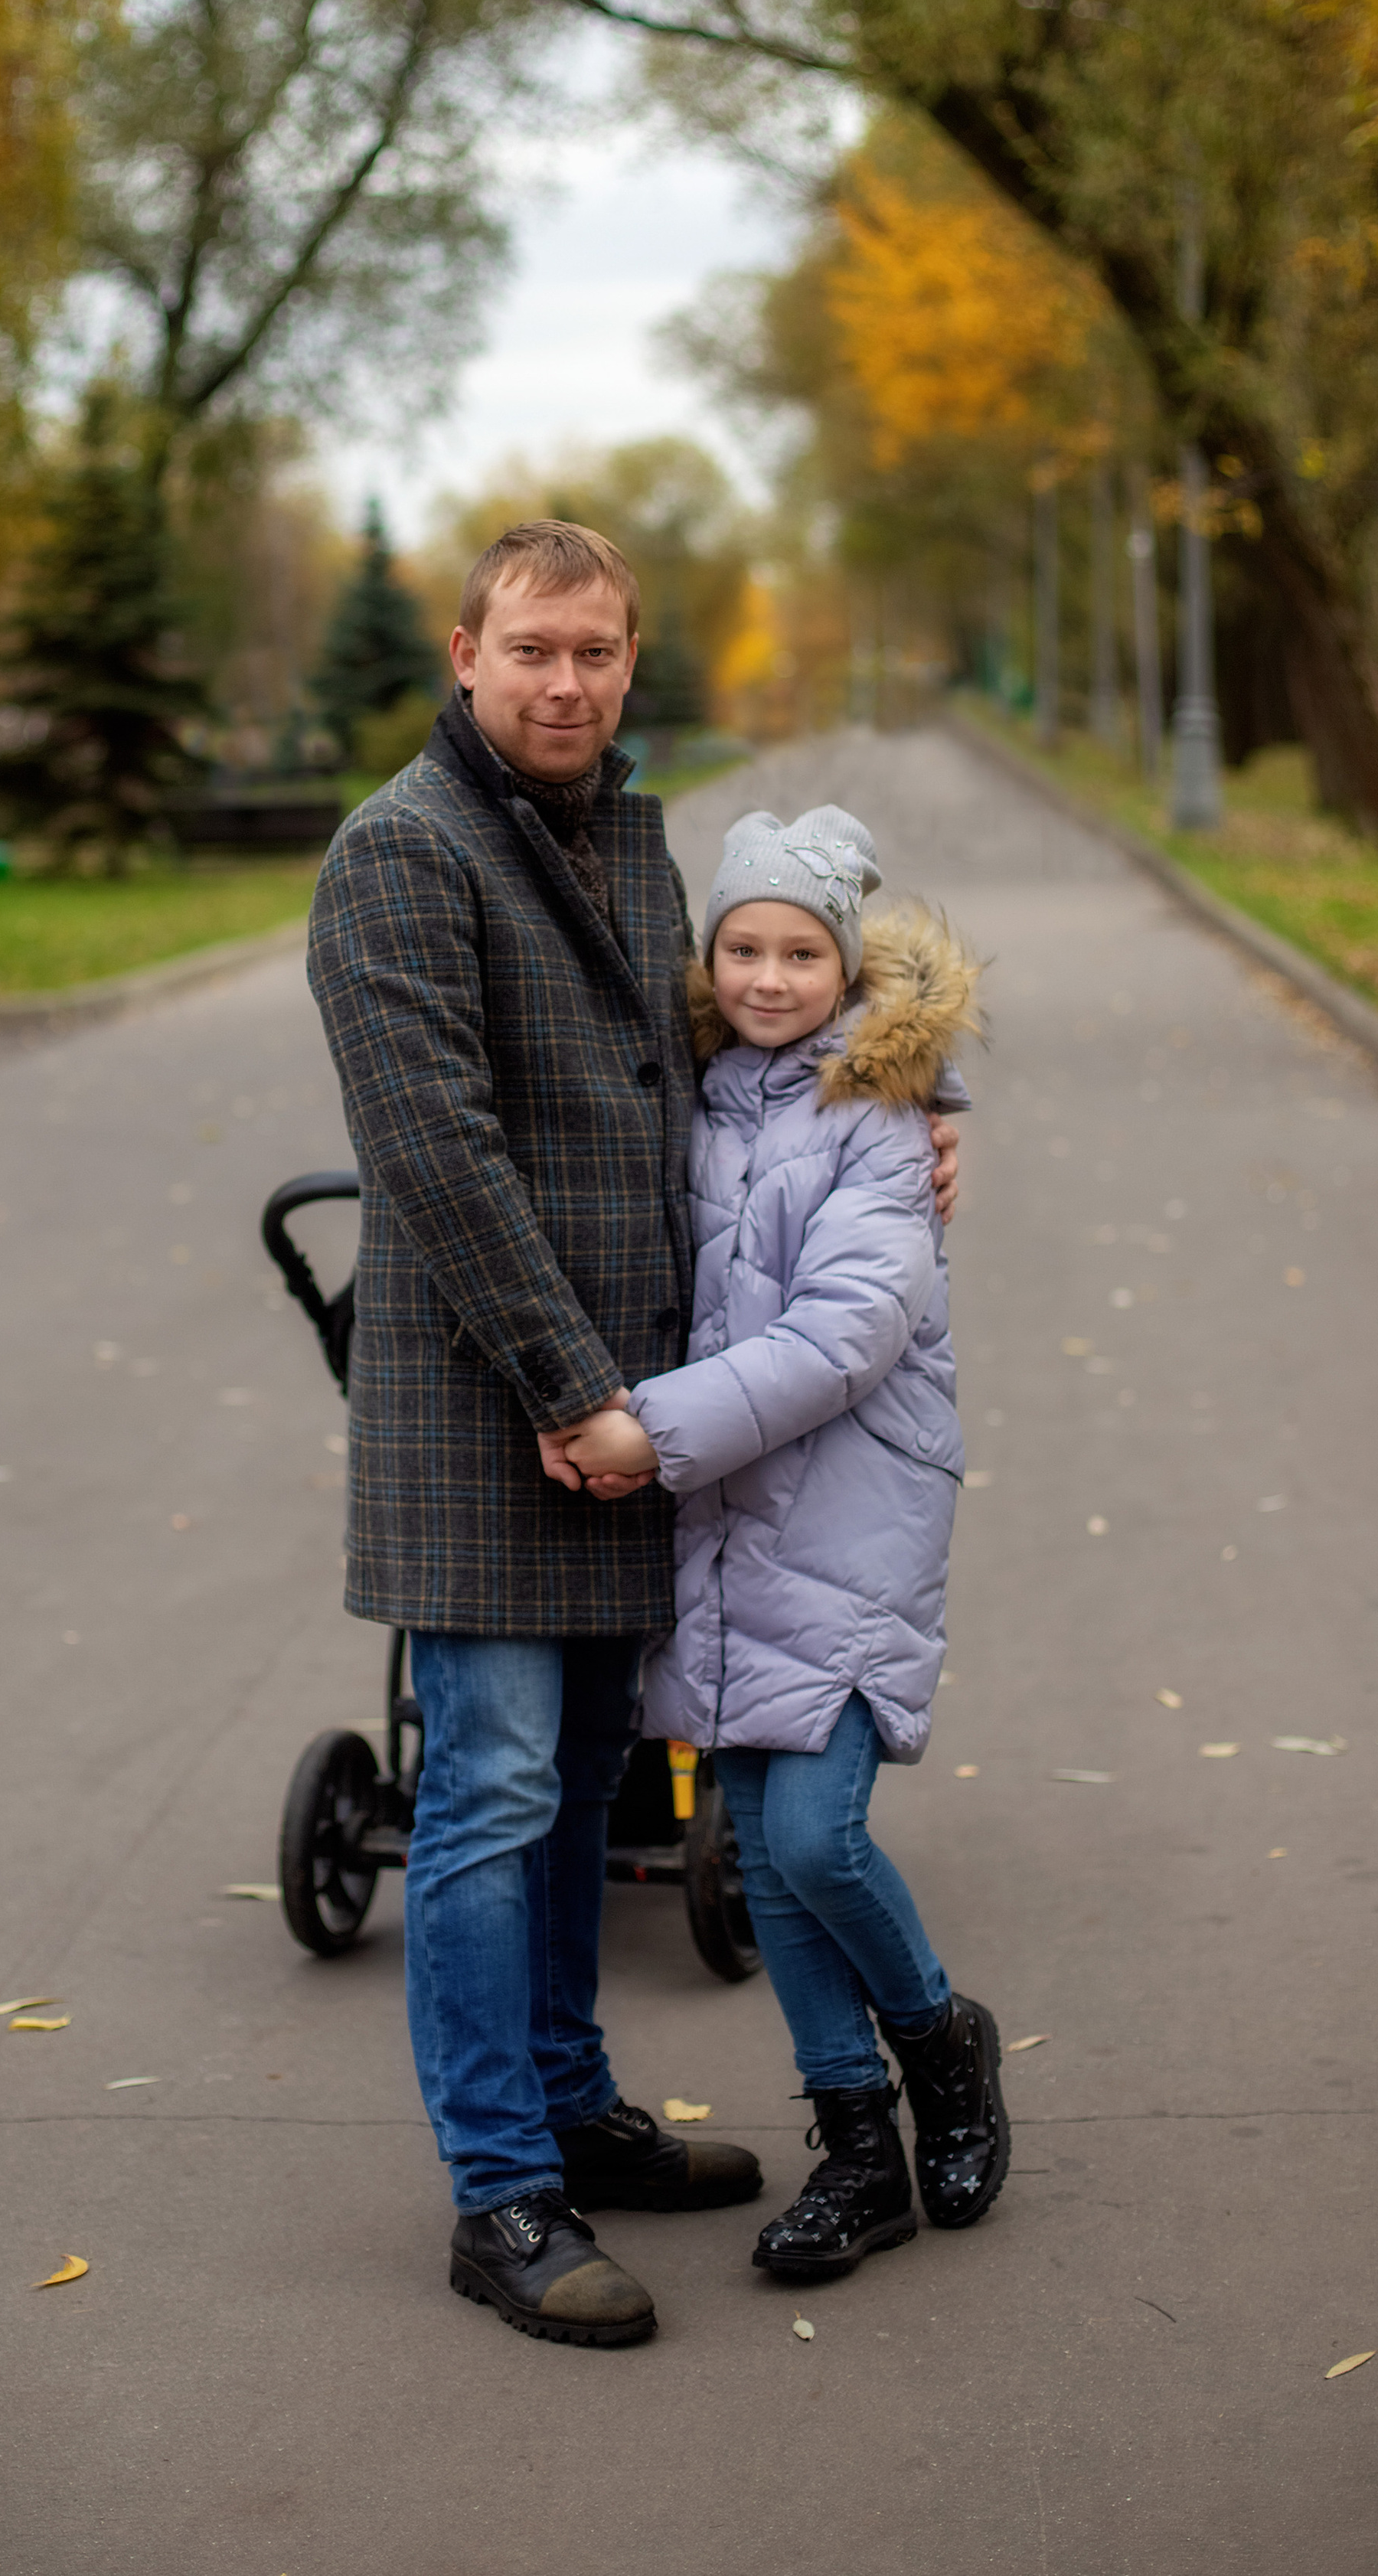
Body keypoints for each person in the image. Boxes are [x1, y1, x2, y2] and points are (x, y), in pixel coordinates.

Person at [306, 524, 960, 2348]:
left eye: (597, 650)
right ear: (462, 651)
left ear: (626, 660)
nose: (567, 680)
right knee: (494, 1793)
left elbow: (741, 1055)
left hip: (640, 1414)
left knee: (589, 1785)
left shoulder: (629, 834)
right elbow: (434, 1151)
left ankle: (578, 2103)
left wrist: (917, 1108)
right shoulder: (399, 856)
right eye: (532, 647)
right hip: (496, 1415)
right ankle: (501, 2187)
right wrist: (572, 1394)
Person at [566, 805, 1009, 2284]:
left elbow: (847, 1331)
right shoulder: (706, 1102)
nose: (767, 975)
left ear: (849, 964)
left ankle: (943, 2042)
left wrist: (653, 1430)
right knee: (763, 1854)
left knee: (815, 1834)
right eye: (741, 947)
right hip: (728, 1521)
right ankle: (858, 2148)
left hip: (843, 1509)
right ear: (709, 963)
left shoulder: (878, 1122)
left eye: (799, 950)